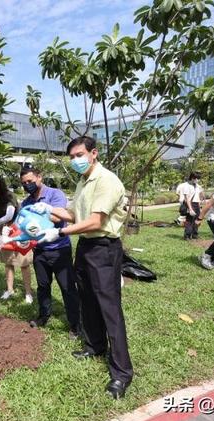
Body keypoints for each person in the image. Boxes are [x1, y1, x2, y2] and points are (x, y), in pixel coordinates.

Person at [32, 136, 133, 399]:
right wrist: (48, 210)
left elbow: (96, 221)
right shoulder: (82, 181)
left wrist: (60, 232)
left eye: (79, 154)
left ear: (93, 153)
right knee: (87, 300)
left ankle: (121, 373)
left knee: (109, 308)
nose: (76, 160)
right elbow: (74, 214)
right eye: (72, 157)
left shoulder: (106, 180)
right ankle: (94, 346)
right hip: (86, 248)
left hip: (104, 248)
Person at [19, 167, 80, 337]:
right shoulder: (26, 203)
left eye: (30, 181)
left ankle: (75, 324)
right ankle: (44, 315)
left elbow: (58, 217)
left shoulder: (55, 194)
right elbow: (23, 225)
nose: (27, 185)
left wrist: (42, 212)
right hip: (40, 250)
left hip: (59, 249)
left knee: (67, 288)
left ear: (40, 177)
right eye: (24, 183)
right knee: (43, 286)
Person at [0, 175, 33, 304]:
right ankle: (10, 289)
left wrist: (8, 228)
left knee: (23, 263)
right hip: (3, 233)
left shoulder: (9, 196)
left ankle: (28, 293)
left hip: (17, 231)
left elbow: (9, 215)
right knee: (8, 262)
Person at [182, 172, 204, 240]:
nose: (198, 180)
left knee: (196, 220)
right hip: (190, 204)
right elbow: (187, 199)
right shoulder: (187, 186)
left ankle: (195, 235)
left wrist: (200, 207)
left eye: (198, 178)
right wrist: (190, 209)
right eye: (197, 178)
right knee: (189, 221)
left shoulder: (197, 186)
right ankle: (187, 236)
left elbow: (199, 197)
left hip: (196, 204)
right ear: (192, 178)